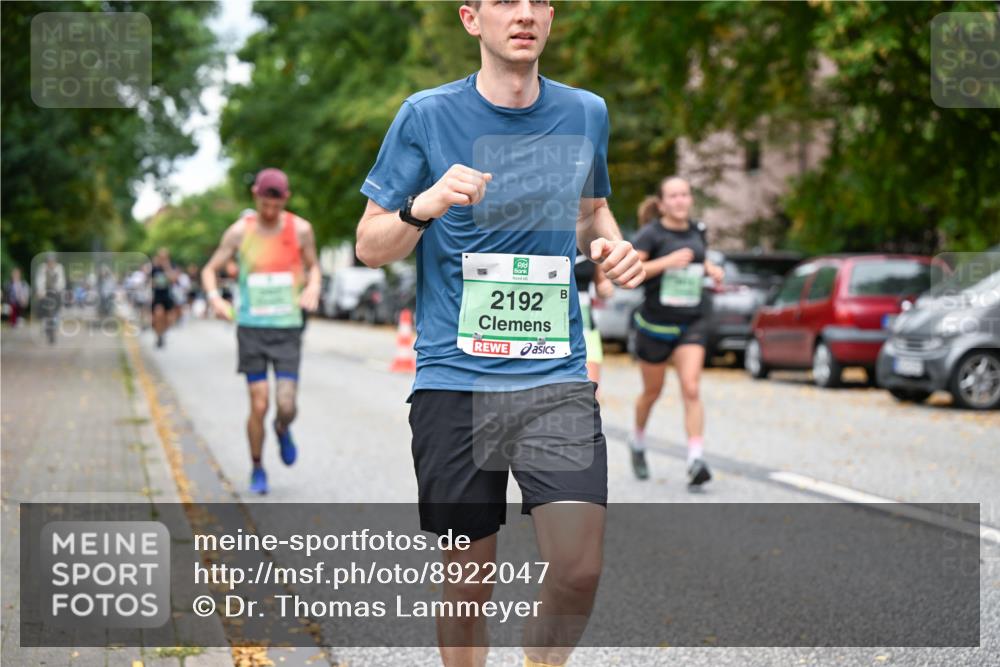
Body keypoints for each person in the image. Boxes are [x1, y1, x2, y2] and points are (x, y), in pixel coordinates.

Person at [355, 2, 644, 665]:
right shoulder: (426, 115)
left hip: (555, 378)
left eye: (539, 0)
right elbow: (370, 245)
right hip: (455, 382)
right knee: (466, 584)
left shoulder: (585, 113)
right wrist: (422, 205)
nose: (524, 13)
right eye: (505, 1)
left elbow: (593, 211)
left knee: (577, 569)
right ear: (470, 18)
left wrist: (613, 248)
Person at [201, 168, 322, 495]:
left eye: (276, 206)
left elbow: (314, 268)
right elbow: (209, 270)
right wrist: (214, 298)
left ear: (285, 199)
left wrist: (313, 287)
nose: (270, 212)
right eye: (264, 204)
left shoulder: (301, 230)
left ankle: (282, 428)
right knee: (258, 404)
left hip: (287, 329)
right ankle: (257, 467)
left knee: (286, 404)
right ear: (256, 196)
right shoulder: (240, 232)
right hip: (252, 329)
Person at [628, 177, 724, 485]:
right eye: (674, 196)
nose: (681, 200)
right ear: (661, 203)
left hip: (691, 322)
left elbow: (699, 258)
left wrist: (710, 268)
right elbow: (634, 273)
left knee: (691, 387)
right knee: (652, 393)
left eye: (685, 195)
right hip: (655, 324)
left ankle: (696, 459)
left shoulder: (698, 231)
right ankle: (637, 441)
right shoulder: (650, 234)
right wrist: (666, 262)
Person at [574, 253, 613, 385]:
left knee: (590, 391)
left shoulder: (589, 243)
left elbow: (601, 282)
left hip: (585, 326)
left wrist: (605, 289)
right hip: (549, 327)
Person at [35, 253, 66, 344]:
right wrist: (40, 291)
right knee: (43, 309)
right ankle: (44, 325)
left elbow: (61, 282)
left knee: (57, 312)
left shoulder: (59, 268)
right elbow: (40, 280)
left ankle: (54, 328)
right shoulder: (42, 268)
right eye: (49, 262)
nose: (51, 264)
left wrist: (57, 288)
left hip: (56, 292)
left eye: (52, 262)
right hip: (46, 293)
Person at [150, 248, 178, 348]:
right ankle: (158, 336)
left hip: (168, 295)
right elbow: (149, 281)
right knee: (158, 314)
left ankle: (162, 332)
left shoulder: (172, 266)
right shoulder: (154, 268)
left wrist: (167, 267)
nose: (163, 259)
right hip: (157, 295)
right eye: (161, 257)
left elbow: (174, 279)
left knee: (169, 319)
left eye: (165, 257)